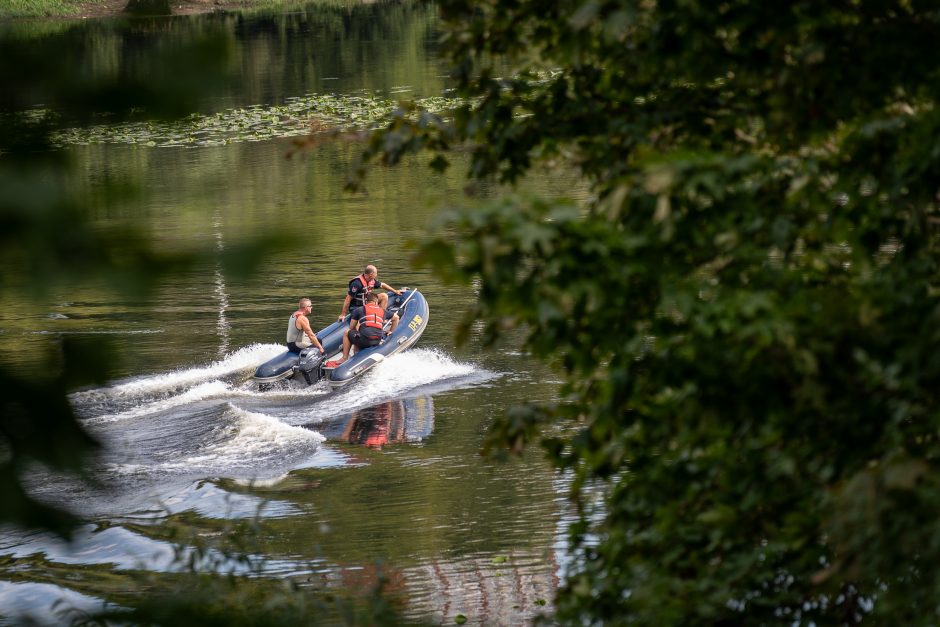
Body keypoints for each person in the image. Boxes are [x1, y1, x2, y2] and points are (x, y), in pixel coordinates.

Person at [327, 292, 399, 366]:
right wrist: (391, 331)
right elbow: (396, 318)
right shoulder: (383, 311)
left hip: (365, 340)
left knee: (347, 332)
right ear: (376, 302)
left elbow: (351, 327)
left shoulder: (359, 310)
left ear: (366, 301)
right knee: (360, 334)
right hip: (377, 340)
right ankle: (357, 352)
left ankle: (344, 358)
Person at [337, 264, 402, 321]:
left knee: (384, 296)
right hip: (357, 306)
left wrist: (395, 291)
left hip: (367, 302)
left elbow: (382, 285)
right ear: (371, 274)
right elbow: (348, 299)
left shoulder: (371, 280)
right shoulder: (357, 283)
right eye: (376, 273)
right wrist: (343, 314)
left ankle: (381, 317)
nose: (376, 275)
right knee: (363, 314)